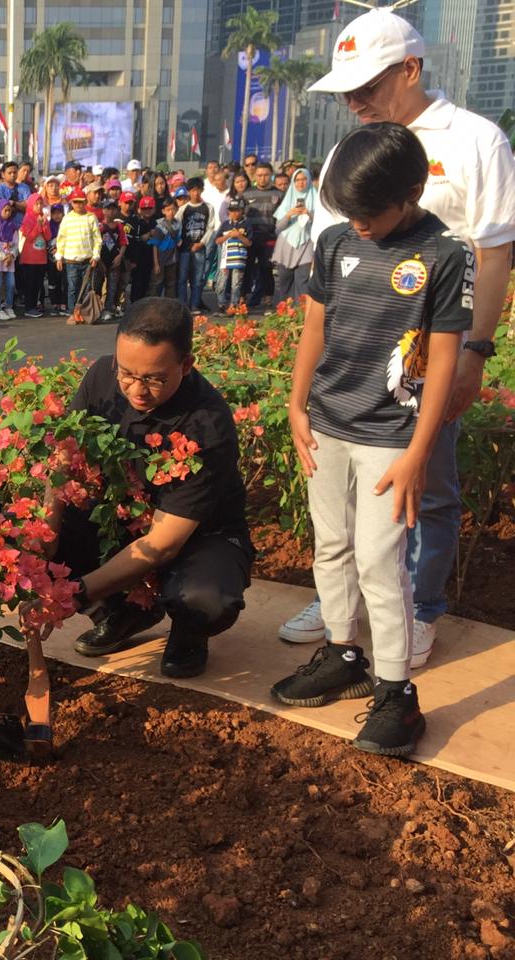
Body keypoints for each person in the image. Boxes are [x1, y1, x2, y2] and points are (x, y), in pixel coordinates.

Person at [279, 9, 515, 660]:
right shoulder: (349, 150)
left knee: (427, 485)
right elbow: (331, 262)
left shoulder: (475, 141)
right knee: (347, 496)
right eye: (346, 93)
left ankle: (419, 607)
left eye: (368, 87)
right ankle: (343, 603)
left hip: (426, 351)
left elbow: (494, 252)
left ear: (411, 69)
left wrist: (474, 353)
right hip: (353, 356)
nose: (355, 103)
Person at [271, 123, 472, 756]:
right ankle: (342, 653)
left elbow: (444, 359)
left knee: (382, 565)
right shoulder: (334, 243)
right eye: (348, 211)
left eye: (369, 213)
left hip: (392, 435)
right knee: (331, 546)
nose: (357, 223)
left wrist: (419, 451)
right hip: (327, 424)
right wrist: (296, 404)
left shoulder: (445, 253)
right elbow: (315, 327)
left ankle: (396, 693)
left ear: (411, 193)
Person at [51, 298, 252, 679]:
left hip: (196, 535)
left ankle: (188, 630)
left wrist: (74, 594)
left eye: (154, 379)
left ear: (186, 365)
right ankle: (126, 611)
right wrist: (46, 530)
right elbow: (65, 455)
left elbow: (163, 544)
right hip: (126, 517)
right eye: (126, 373)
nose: (136, 390)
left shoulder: (207, 423)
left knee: (204, 597)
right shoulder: (102, 377)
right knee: (38, 541)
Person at [271, 168, 317, 302]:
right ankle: (286, 311)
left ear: (309, 180)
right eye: (297, 180)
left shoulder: (317, 201)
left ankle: (301, 311)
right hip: (286, 245)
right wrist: (289, 215)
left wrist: (309, 214)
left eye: (304, 179)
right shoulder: (288, 200)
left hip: (307, 244)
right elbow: (278, 228)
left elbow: (321, 224)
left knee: (303, 281)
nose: (301, 183)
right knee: (285, 282)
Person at [241, 162, 283, 308]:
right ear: (254, 176)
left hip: (269, 237)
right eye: (259, 175)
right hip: (250, 238)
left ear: (271, 175)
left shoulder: (279, 194)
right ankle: (243, 299)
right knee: (247, 268)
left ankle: (268, 299)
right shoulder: (246, 194)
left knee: (266, 268)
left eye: (266, 175)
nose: (262, 178)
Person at [54, 190, 102, 310]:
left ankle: (85, 313)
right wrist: (59, 257)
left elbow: (97, 239)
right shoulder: (67, 219)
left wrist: (96, 256)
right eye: (75, 202)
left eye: (81, 202)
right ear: (71, 203)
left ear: (85, 202)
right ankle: (72, 312)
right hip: (71, 261)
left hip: (87, 261)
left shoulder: (91, 217)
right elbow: (61, 239)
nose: (78, 205)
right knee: (72, 289)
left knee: (87, 289)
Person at [175, 177, 214, 312]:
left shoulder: (208, 208)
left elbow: (211, 228)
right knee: (182, 278)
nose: (196, 193)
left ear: (202, 190)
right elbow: (176, 226)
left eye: (198, 190)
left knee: (198, 279)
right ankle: (183, 305)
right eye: (192, 190)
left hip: (199, 248)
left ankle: (195, 304)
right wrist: (179, 242)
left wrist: (201, 243)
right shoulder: (183, 209)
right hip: (184, 248)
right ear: (188, 192)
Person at [18, 187, 52, 318]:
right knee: (30, 283)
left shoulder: (44, 218)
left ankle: (35, 305)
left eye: (41, 203)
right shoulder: (27, 218)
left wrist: (43, 225)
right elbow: (30, 237)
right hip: (29, 258)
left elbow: (48, 236)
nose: (39, 206)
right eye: (36, 204)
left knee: (38, 283)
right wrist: (38, 225)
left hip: (41, 257)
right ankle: (29, 307)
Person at [213, 199, 252, 313]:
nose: (234, 213)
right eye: (232, 211)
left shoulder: (246, 224)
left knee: (236, 284)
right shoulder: (225, 224)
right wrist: (229, 235)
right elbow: (217, 240)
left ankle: (233, 305)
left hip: (239, 259)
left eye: (237, 210)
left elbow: (249, 243)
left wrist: (239, 235)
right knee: (222, 282)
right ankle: (221, 304)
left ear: (242, 211)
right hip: (225, 259)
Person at [96, 198, 128, 322]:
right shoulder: (99, 227)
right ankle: (97, 309)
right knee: (97, 286)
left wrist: (119, 257)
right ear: (103, 210)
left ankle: (108, 309)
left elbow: (124, 243)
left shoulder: (119, 226)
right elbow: (95, 245)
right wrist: (99, 262)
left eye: (113, 209)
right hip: (101, 260)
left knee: (112, 287)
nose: (111, 211)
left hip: (114, 261)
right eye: (108, 209)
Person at [123, 195, 157, 305]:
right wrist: (131, 260)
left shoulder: (155, 223)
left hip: (150, 259)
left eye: (149, 208)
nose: (147, 211)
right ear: (139, 209)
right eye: (144, 208)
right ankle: (133, 307)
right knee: (135, 285)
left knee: (146, 285)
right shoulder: (132, 221)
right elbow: (128, 241)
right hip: (135, 260)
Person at [148, 198, 180, 298]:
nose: (171, 212)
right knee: (157, 284)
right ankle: (154, 304)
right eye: (168, 210)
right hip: (161, 259)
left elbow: (178, 239)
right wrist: (156, 264)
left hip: (172, 259)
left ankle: (169, 304)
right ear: (163, 211)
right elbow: (155, 245)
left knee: (171, 284)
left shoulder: (177, 224)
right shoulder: (160, 226)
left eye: (173, 209)